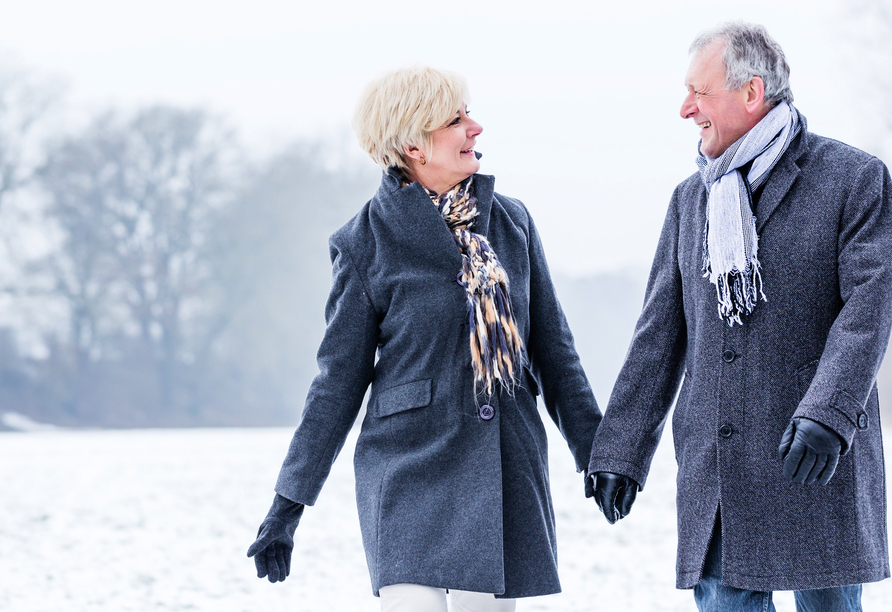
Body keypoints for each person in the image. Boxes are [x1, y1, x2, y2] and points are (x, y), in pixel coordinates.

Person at [246, 66, 601, 611]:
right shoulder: (364, 242)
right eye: (456, 120)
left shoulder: (512, 223)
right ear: (413, 142)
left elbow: (554, 355)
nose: (476, 128)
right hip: (409, 470)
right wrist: (286, 505)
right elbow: (337, 383)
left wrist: (598, 454)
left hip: (502, 466)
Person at [587, 21, 892, 612]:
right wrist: (620, 449)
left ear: (751, 93)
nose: (685, 109)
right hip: (720, 467)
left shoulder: (854, 179)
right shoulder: (691, 199)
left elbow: (870, 308)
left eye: (698, 93)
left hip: (812, 457)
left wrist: (829, 414)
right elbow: (659, 333)